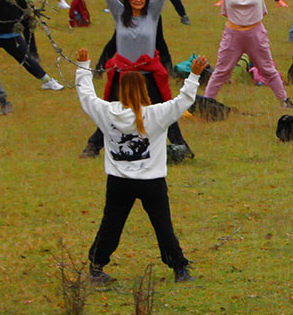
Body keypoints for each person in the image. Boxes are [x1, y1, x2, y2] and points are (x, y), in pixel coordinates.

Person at [76, 47, 206, 286]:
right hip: (152, 182)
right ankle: (179, 269)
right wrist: (194, 76)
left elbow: (86, 96)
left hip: (118, 182)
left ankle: (96, 266)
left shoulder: (107, 113)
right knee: (162, 225)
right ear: (145, 91)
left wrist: (83, 67)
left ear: (120, 90)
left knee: (111, 224)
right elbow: (183, 100)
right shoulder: (157, 114)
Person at [85, 0, 194, 162]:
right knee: (110, 113)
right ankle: (93, 146)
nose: (137, 0)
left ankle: (181, 145)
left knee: (165, 111)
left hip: (148, 74)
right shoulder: (119, 13)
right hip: (123, 75)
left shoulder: (152, 14)